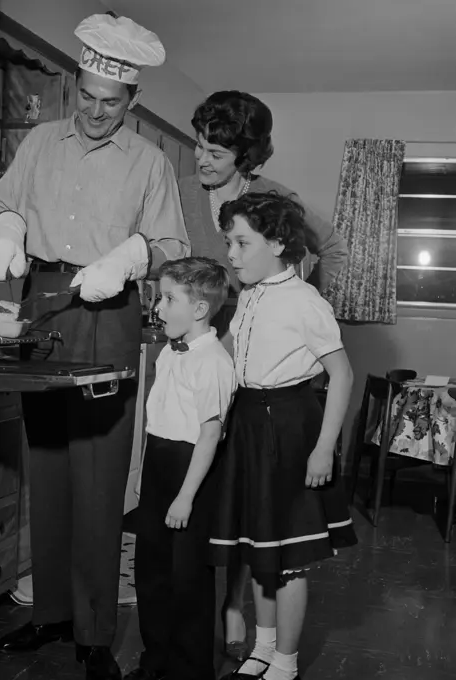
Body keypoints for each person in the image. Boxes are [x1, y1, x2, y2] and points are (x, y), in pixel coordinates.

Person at [0, 13, 190, 680]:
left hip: (108, 309)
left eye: (111, 104)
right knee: (48, 464)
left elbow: (173, 246)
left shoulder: (150, 162)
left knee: (99, 475)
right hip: (40, 304)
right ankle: (50, 615)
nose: (96, 114)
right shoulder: (39, 141)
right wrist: (6, 228)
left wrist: (129, 255)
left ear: (132, 102)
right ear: (75, 84)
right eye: (87, 98)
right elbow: (0, 202)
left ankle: (95, 630)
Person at [178, 90, 350, 657]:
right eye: (199, 145)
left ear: (246, 157)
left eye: (217, 151)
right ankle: (234, 612)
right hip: (215, 360)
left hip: (269, 379)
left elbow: (331, 247)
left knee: (271, 517)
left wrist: (294, 296)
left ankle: (258, 631)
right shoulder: (183, 189)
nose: (202, 160)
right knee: (229, 500)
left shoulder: (275, 203)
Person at [209, 192, 357, 680]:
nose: (231, 253)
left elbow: (342, 375)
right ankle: (263, 648)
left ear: (276, 243)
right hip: (250, 425)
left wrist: (323, 450)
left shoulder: (304, 300)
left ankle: (287, 663)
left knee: (289, 556)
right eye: (228, 241)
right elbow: (231, 354)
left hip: (291, 428)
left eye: (242, 243)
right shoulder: (249, 294)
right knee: (258, 546)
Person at [125, 257, 236, 680]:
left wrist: (186, 496)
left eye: (169, 298)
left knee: (187, 579)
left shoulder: (214, 362)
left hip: (192, 474)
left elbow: (210, 436)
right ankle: (156, 662)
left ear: (200, 309)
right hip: (159, 465)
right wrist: (145, 478)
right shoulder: (169, 353)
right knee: (151, 572)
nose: (159, 307)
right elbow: (158, 419)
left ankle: (190, 671)